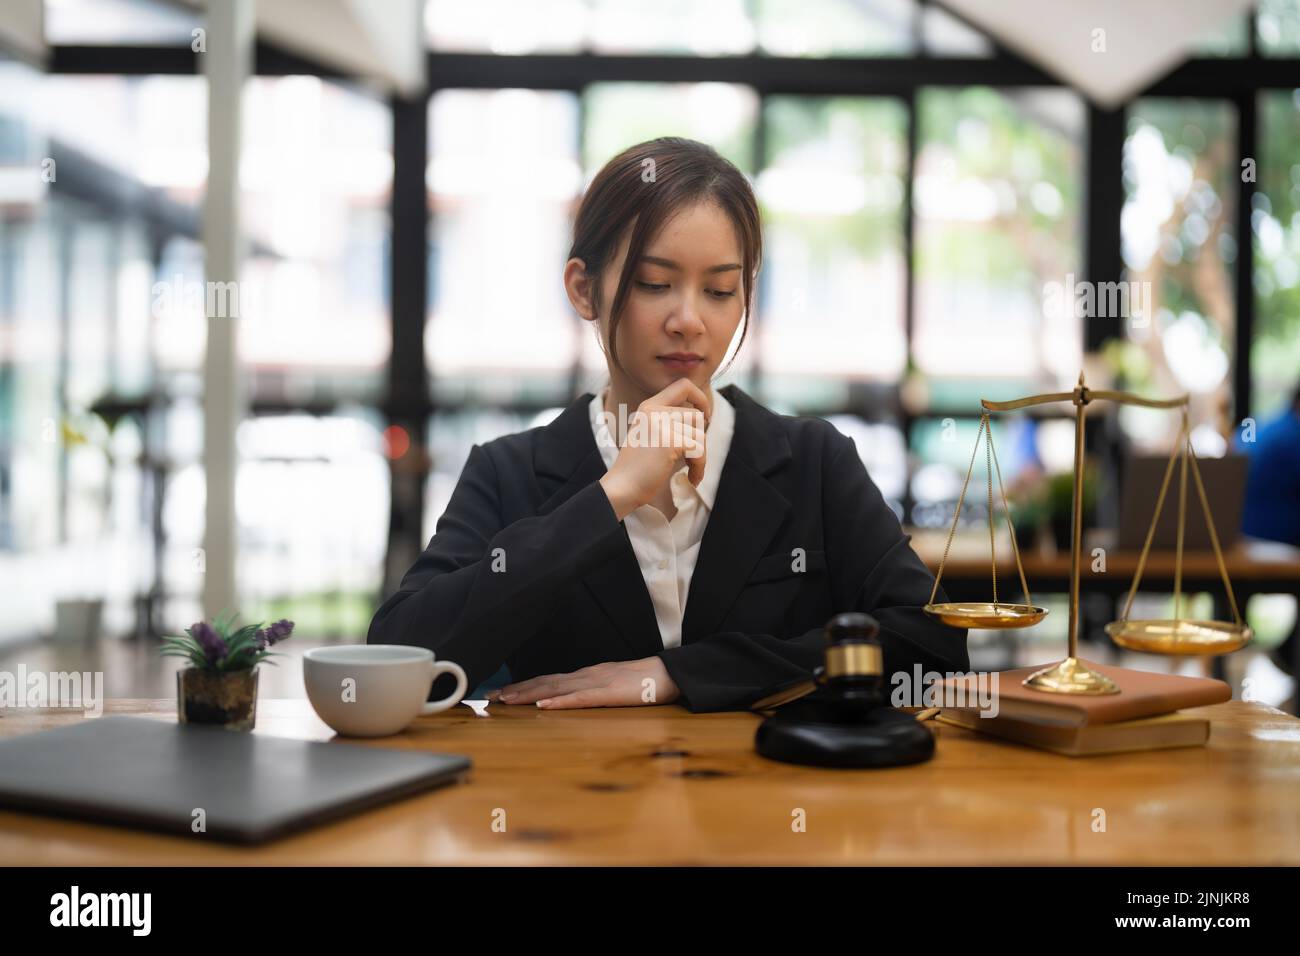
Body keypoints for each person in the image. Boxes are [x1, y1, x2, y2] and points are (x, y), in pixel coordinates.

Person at [366, 136, 968, 712]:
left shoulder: (812, 460)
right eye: (656, 284)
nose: (689, 319)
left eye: (720, 289)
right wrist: (612, 495)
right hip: (573, 805)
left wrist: (679, 675)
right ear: (584, 289)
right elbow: (400, 661)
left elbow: (932, 648)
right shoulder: (511, 471)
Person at [1237, 383, 1300, 678]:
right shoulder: (1293, 436)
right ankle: (1290, 654)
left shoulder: (1260, 428)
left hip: (1234, 537)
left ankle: (1287, 652)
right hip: (1275, 541)